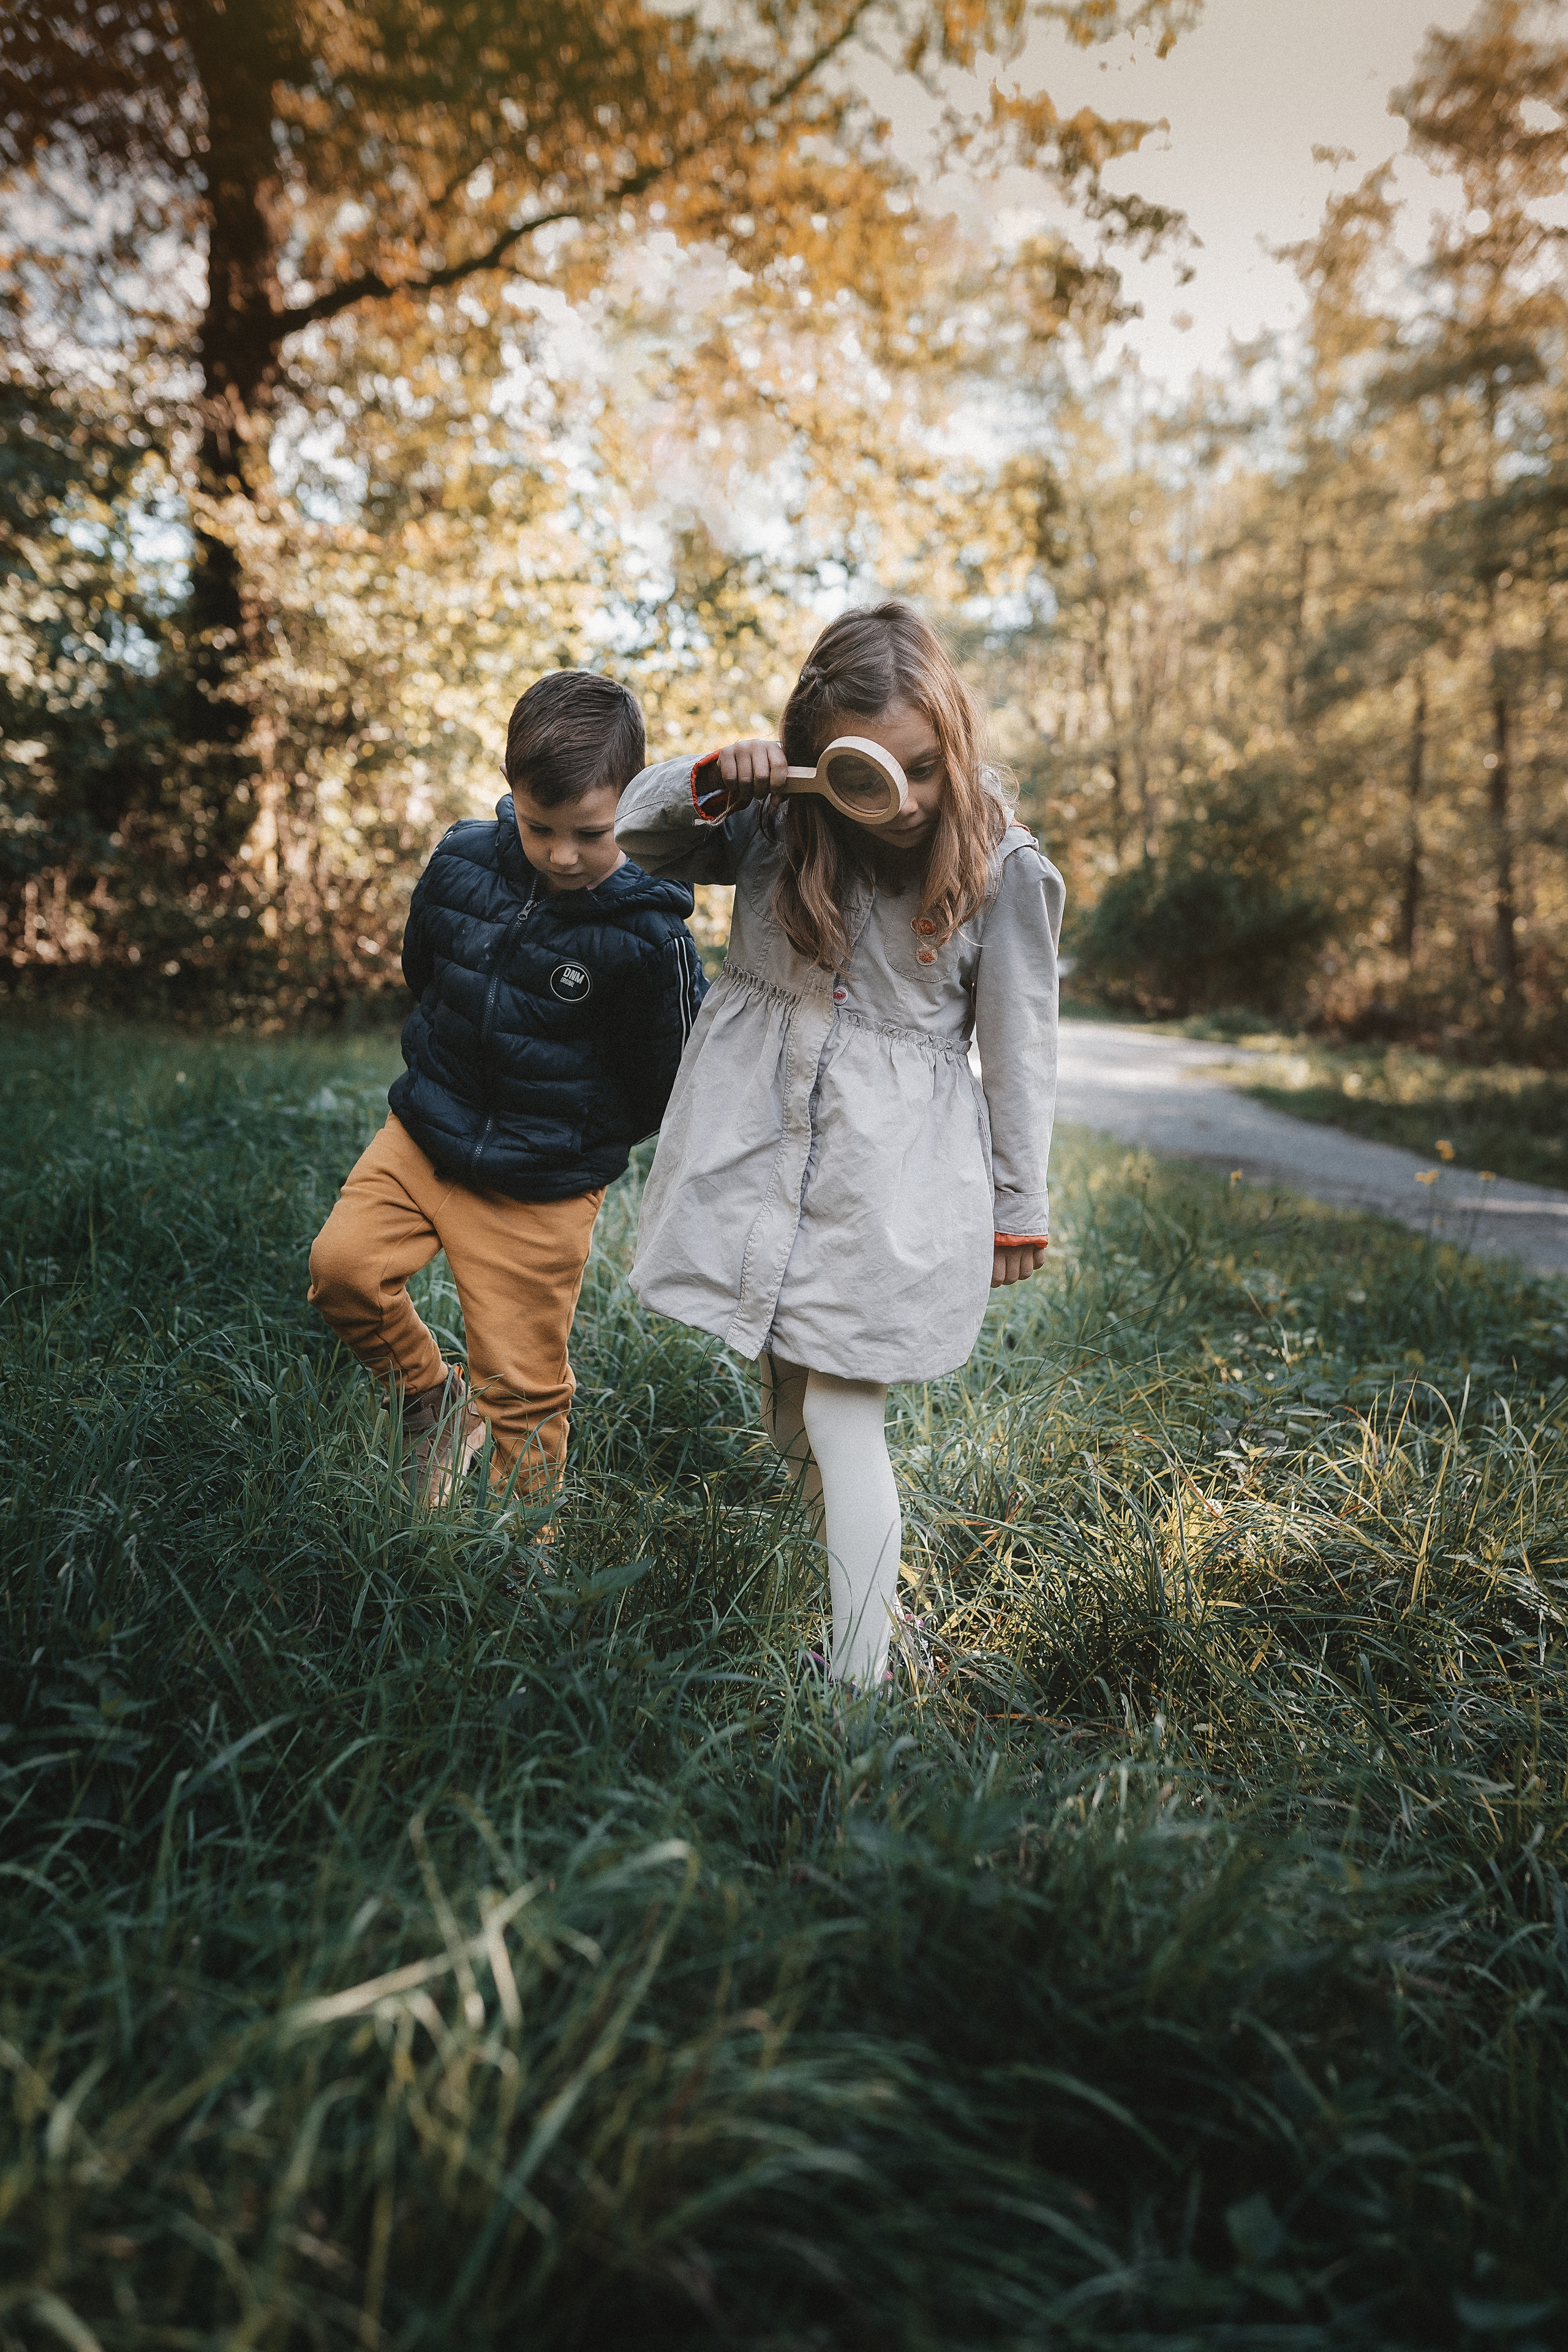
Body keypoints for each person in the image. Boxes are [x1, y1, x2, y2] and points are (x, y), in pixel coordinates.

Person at [615, 601, 1062, 1689]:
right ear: (822, 763)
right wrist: (723, 772)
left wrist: (1020, 1203)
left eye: (921, 767)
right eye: (870, 775)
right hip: (765, 1154)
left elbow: (1021, 1049)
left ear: (951, 740)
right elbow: (641, 833)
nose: (901, 803)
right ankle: (872, 1617)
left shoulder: (1000, 870)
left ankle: (856, 1682)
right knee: (791, 1408)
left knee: (836, 1404)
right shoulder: (779, 822)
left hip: (884, 1182)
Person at [309, 669, 706, 1506]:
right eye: (540, 827)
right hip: (426, 1130)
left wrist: (584, 1137)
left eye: (590, 834)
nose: (563, 853)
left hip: (542, 1177)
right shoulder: (460, 861)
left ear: (632, 811)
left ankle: (525, 1556)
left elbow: (670, 1070)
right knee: (342, 1270)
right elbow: (429, 967)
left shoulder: (648, 934)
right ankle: (430, 1397)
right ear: (511, 794)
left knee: (520, 1382)